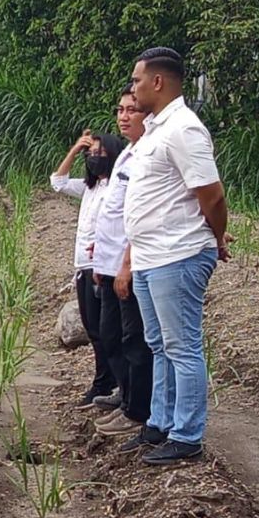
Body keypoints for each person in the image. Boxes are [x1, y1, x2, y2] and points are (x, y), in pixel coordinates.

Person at [118, 47, 228, 465]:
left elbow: (212, 195)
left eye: (137, 80)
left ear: (158, 82)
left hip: (177, 254)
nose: (134, 87)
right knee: (159, 344)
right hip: (150, 255)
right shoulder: (155, 130)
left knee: (182, 346)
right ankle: (159, 422)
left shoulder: (184, 128)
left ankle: (187, 434)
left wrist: (216, 238)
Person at [95, 85, 154, 437]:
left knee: (134, 339)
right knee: (111, 336)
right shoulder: (128, 154)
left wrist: (125, 265)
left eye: (132, 110)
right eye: (120, 110)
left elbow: (139, 215)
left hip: (128, 264)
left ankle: (137, 409)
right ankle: (126, 396)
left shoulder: (147, 154)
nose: (123, 116)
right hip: (110, 263)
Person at [50, 130, 124, 409]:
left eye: (100, 153)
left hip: (104, 265)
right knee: (93, 327)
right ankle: (104, 381)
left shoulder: (117, 187)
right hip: (83, 265)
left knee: (107, 329)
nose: (95, 158)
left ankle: (111, 383)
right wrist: (75, 148)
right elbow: (58, 182)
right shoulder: (90, 187)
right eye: (90, 154)